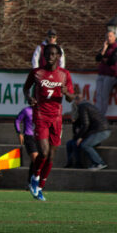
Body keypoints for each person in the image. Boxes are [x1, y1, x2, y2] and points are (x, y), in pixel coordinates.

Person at [23, 43, 75, 201]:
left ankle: (40, 187)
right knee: (43, 152)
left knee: (51, 156)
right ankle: (35, 177)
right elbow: (26, 88)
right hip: (40, 115)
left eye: (53, 54)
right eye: (48, 54)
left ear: (59, 56)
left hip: (57, 118)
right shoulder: (37, 73)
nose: (50, 56)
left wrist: (67, 93)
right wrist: (29, 98)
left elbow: (71, 97)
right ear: (44, 56)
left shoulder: (65, 74)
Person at [66, 96, 110, 170]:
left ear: (77, 101)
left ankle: (99, 163)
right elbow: (83, 124)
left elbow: (86, 124)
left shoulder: (82, 107)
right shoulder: (86, 107)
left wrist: (81, 137)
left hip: (101, 131)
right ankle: (73, 163)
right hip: (96, 131)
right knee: (71, 143)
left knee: (85, 145)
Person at [95, 30, 117, 117]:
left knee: (104, 96)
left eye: (110, 36)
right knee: (98, 95)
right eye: (107, 36)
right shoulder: (104, 47)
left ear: (114, 37)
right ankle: (97, 114)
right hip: (101, 74)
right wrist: (104, 50)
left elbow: (112, 61)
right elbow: (98, 58)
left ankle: (102, 115)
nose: (108, 38)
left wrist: (105, 59)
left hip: (110, 75)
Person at [14, 106, 37, 180]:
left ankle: (31, 182)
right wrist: (19, 133)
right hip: (29, 136)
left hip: (40, 137)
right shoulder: (26, 110)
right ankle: (35, 182)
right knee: (35, 158)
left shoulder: (43, 110)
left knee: (36, 161)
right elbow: (17, 120)